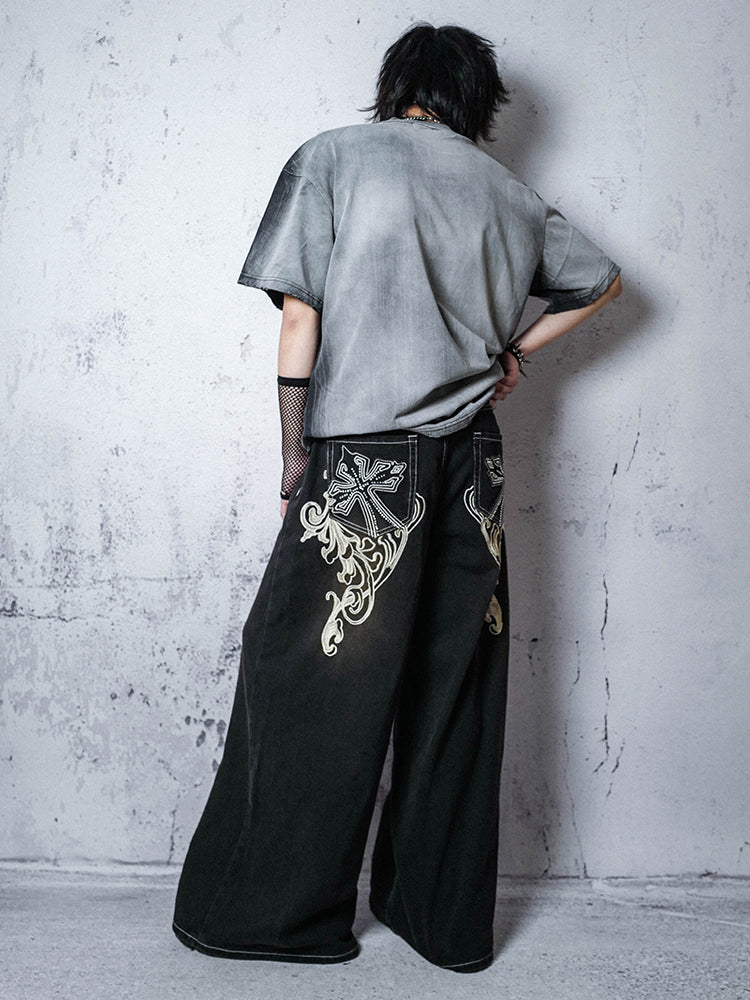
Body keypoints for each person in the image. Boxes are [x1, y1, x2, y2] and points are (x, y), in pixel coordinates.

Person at [172, 22, 622, 974]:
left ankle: (271, 918)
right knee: (454, 687)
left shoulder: (336, 157)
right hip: (473, 467)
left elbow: (301, 314)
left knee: (309, 679)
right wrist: (513, 354)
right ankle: (437, 920)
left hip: (365, 462)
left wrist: (294, 455)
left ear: (397, 85)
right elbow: (603, 283)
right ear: (476, 101)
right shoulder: (507, 193)